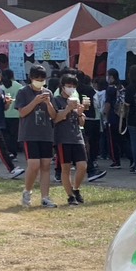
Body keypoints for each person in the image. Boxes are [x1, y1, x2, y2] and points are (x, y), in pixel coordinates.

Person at [16, 66, 58, 208]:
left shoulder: (48, 93)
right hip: (29, 134)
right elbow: (22, 112)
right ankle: (27, 191)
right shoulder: (23, 92)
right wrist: (35, 101)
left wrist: (48, 103)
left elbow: (53, 115)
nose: (39, 81)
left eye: (42, 79)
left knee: (46, 165)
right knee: (34, 165)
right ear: (31, 78)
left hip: (46, 133)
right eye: (37, 79)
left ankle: (45, 197)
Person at [52, 73, 89, 206]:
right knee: (65, 168)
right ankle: (70, 196)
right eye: (69, 86)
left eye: (73, 86)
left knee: (82, 166)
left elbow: (81, 123)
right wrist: (68, 108)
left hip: (77, 137)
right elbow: (55, 119)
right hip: (63, 138)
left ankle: (76, 188)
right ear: (62, 87)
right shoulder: (56, 100)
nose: (71, 88)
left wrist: (80, 113)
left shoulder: (76, 100)